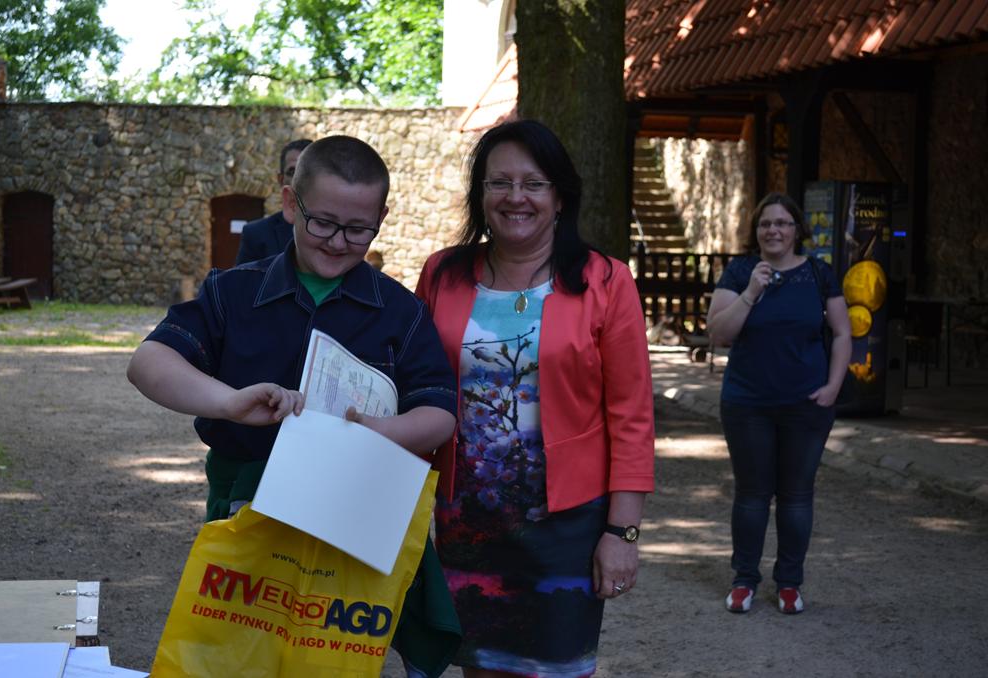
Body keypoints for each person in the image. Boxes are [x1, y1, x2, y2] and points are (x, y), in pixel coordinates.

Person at [415, 119, 655, 677]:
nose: (515, 197)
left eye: (533, 183)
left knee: (558, 669)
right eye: (499, 183)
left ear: (560, 196)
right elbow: (413, 383)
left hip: (567, 526)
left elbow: (632, 417)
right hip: (466, 519)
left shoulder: (606, 281)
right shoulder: (442, 275)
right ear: (481, 195)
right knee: (481, 665)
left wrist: (622, 533)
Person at [127, 135, 457, 521]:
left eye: (357, 229)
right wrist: (230, 403)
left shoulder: (403, 312)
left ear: (380, 219)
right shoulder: (233, 292)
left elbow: (439, 412)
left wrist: (377, 432)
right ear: (289, 203)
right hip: (243, 511)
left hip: (355, 508)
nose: (337, 242)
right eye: (323, 223)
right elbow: (148, 363)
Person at [706, 192, 850, 615]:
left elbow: (843, 332)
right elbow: (719, 333)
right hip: (747, 404)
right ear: (756, 231)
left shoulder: (819, 273)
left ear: (797, 230)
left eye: (783, 223)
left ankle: (789, 583)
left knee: (796, 496)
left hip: (806, 405)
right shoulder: (740, 272)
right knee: (752, 494)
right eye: (766, 223)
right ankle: (744, 581)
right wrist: (751, 291)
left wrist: (834, 386)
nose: (774, 230)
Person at [234, 138, 312, 265]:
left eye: (307, 171)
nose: (299, 179)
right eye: (292, 172)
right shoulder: (256, 234)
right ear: (281, 180)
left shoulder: (341, 232)